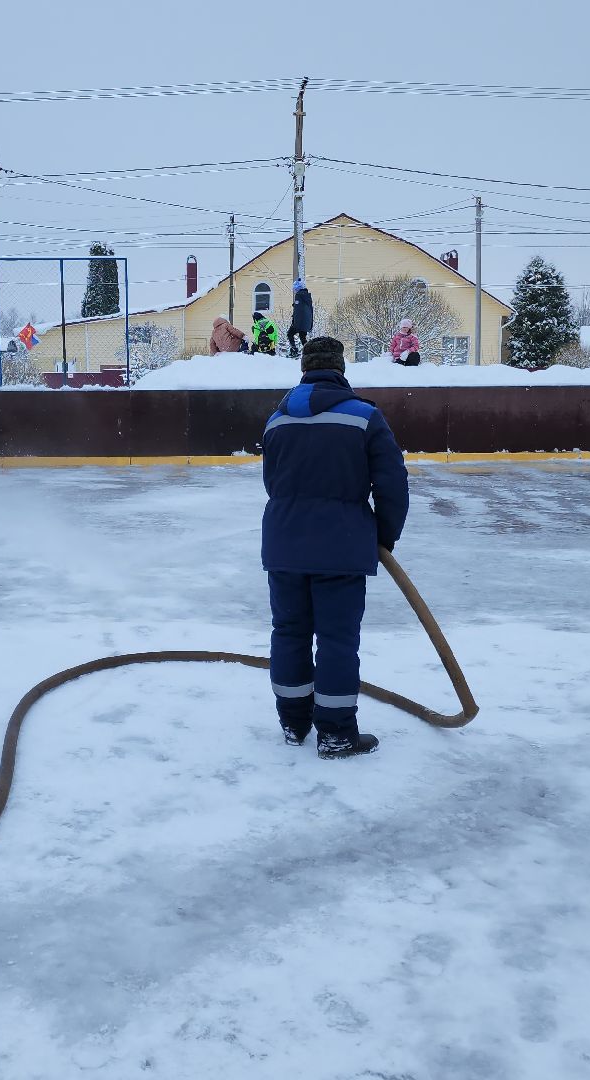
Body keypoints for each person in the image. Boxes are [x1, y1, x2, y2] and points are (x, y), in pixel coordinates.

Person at [259, 335, 408, 759]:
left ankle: (293, 724)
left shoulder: (276, 419)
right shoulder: (364, 417)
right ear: (340, 369)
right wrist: (382, 537)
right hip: (342, 546)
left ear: (303, 369)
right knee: (337, 640)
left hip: (284, 544)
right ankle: (337, 734)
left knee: (288, 632)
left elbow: (274, 483)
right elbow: (393, 484)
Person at [288, 278, 315, 359]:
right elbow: (305, 308)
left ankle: (294, 351)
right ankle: (310, 353)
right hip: (306, 322)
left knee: (289, 334)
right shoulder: (307, 296)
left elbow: (298, 311)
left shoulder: (299, 295)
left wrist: (295, 323)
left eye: (295, 288)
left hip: (298, 322)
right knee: (303, 338)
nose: (294, 290)